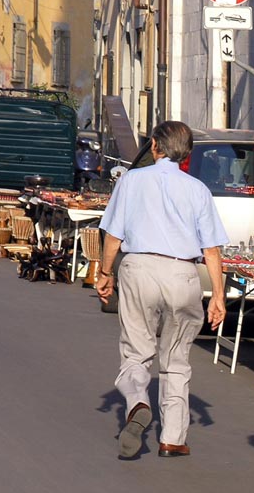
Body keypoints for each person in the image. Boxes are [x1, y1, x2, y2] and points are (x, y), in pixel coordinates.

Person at [96, 121, 229, 460]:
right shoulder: (198, 189)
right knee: (176, 359)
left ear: (155, 145)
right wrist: (218, 295)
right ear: (187, 152)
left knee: (136, 350)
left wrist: (104, 272)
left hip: (139, 268)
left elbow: (113, 235)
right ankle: (172, 438)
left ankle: (138, 400)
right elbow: (211, 250)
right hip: (183, 273)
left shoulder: (132, 181)